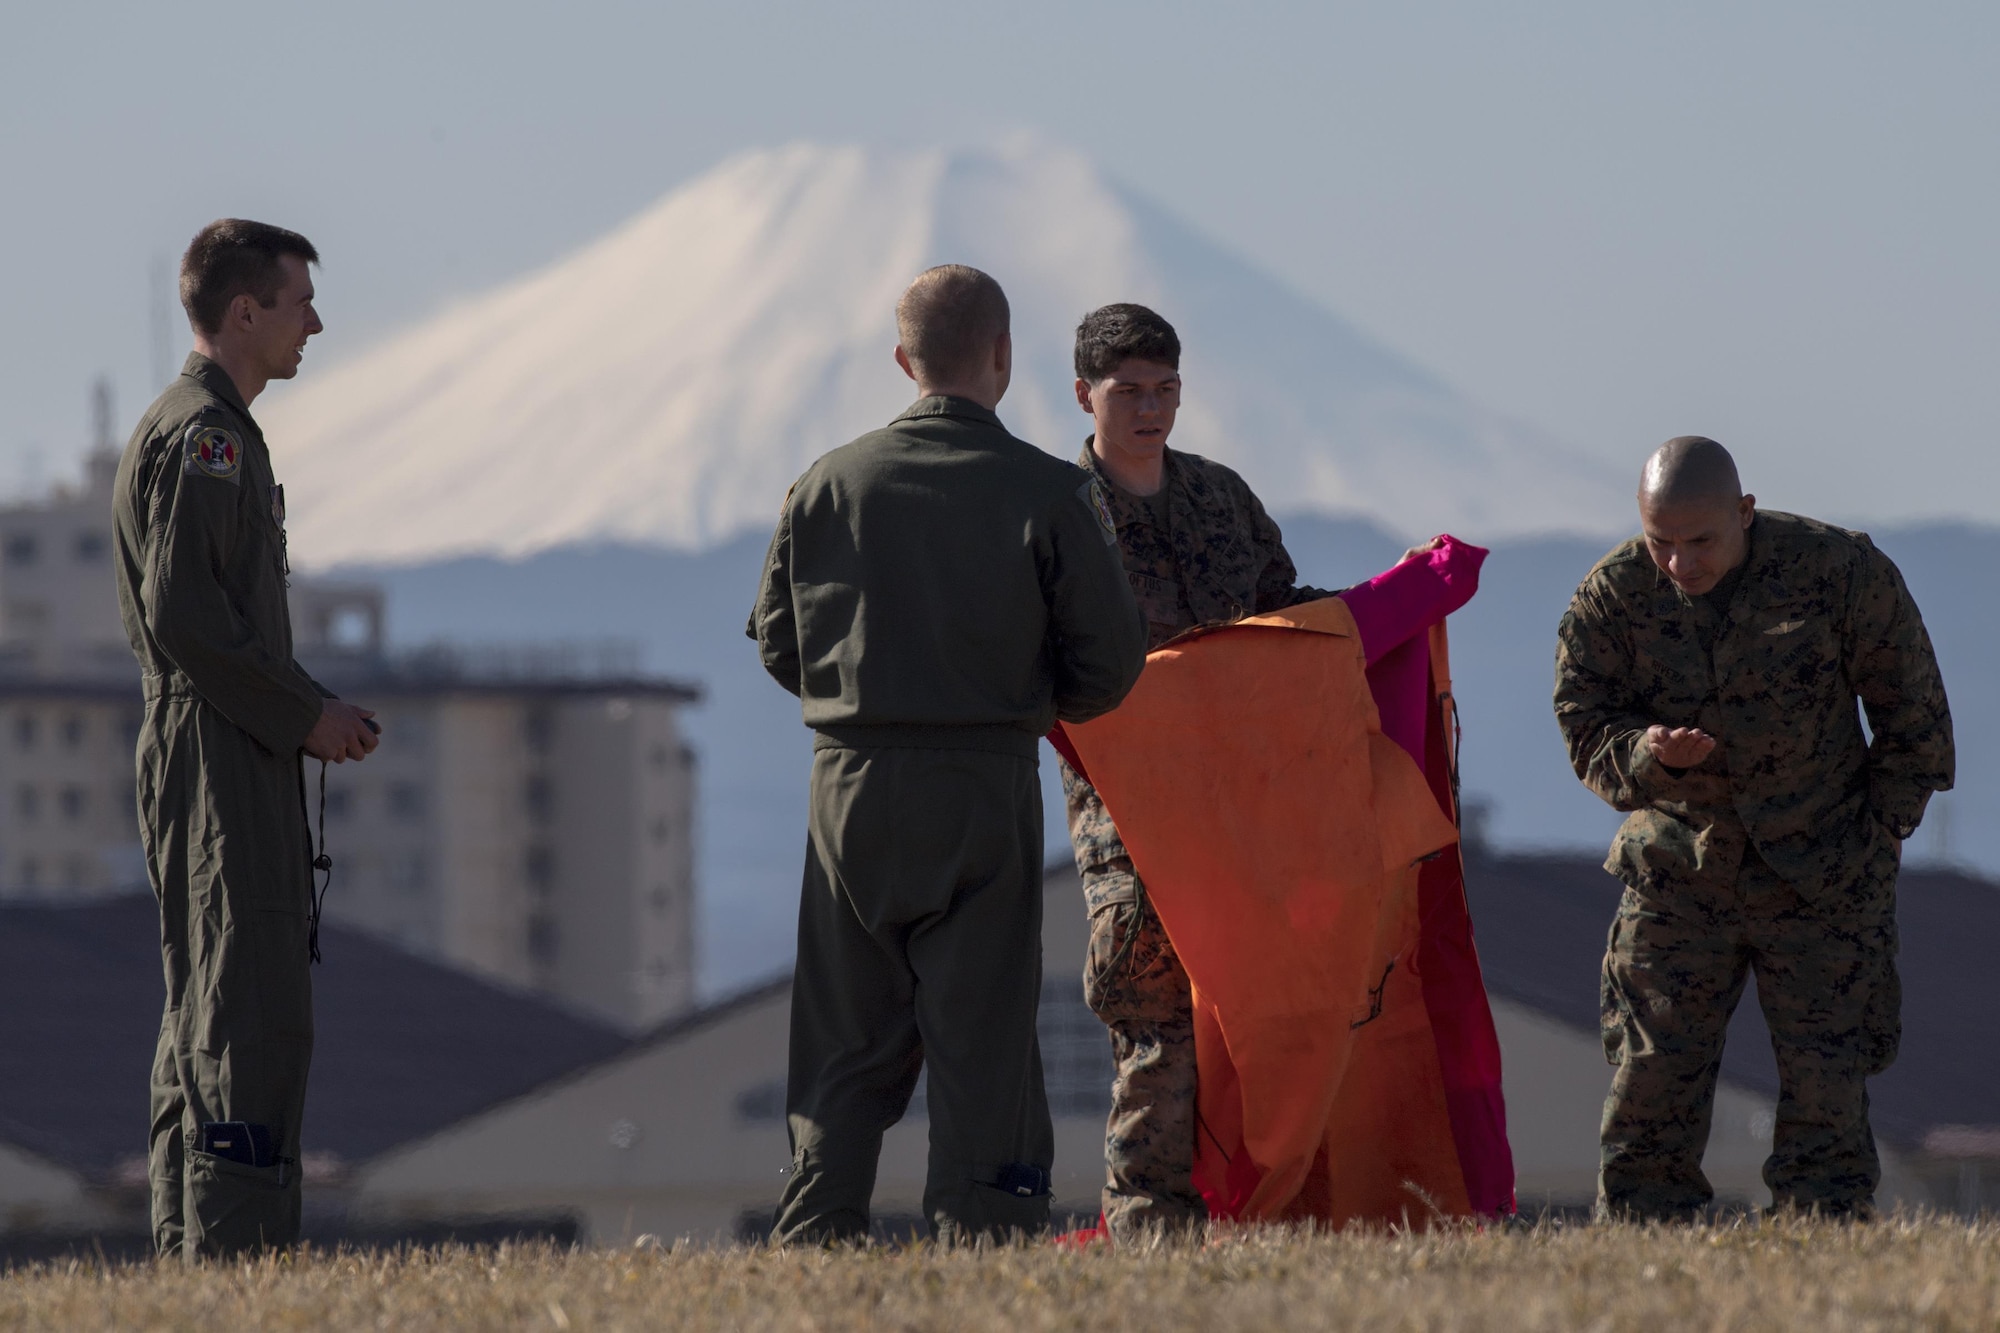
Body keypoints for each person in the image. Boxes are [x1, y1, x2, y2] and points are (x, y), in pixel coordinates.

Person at [748, 265, 1147, 1243]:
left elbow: (776, 642)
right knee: (983, 1032)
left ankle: (815, 1225)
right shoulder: (1052, 494)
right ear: (1002, 356)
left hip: (847, 784)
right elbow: (1111, 664)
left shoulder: (823, 485)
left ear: (902, 362)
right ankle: (980, 1229)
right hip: (981, 780)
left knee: (842, 1034)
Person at [1057, 303, 1416, 1242]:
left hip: (1248, 796)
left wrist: (1387, 604)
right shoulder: (1058, 514)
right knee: (1151, 991)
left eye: (1165, 389)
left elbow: (1284, 617)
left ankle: (1257, 1199)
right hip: (1129, 800)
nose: (1149, 409)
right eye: (1127, 391)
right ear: (1083, 393)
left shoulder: (1221, 497)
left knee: (1266, 992)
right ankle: (1148, 1218)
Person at [1554, 435, 1954, 1221]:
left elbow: (1916, 720)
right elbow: (1584, 725)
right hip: (1679, 871)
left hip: (1823, 873)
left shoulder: (1839, 573)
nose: (1680, 564)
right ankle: (1641, 1251)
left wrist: (1880, 837)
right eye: (1660, 542)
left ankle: (1822, 1244)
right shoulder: (1612, 597)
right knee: (1651, 1082)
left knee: (1827, 1093)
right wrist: (1646, 755)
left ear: (1745, 511)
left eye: (1700, 541)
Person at [113, 219, 380, 1260]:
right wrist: (301, 714)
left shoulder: (207, 428)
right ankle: (236, 1267)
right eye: (298, 299)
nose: (315, 320)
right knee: (246, 1016)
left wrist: (305, 706)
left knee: (210, 1016)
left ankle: (201, 1261)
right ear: (244, 311)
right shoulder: (207, 436)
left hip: (217, 738)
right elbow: (186, 616)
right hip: (217, 748)